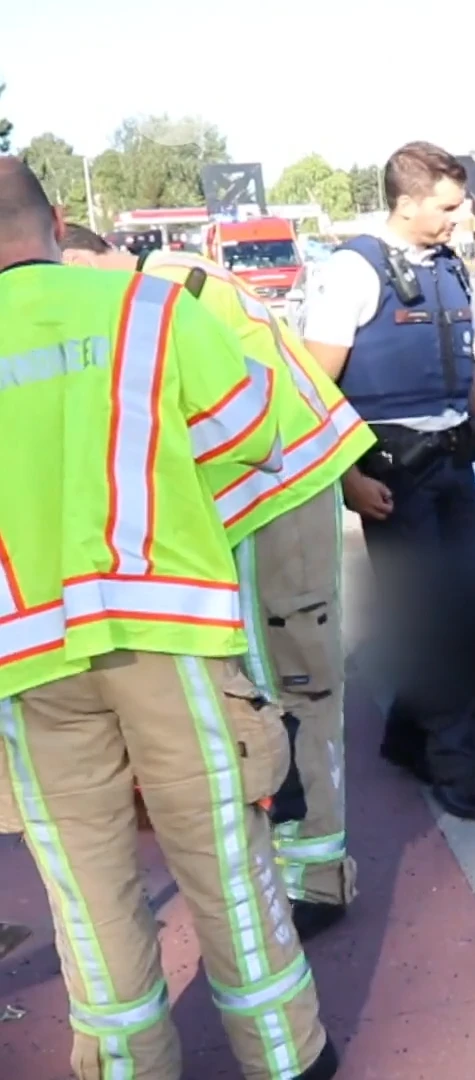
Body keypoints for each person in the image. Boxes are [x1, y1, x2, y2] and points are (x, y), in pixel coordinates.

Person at [0, 158, 337, 1079]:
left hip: (24, 660)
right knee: (224, 855)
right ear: (58, 221)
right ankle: (284, 1056)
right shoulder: (146, 311)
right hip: (169, 633)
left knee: (87, 888)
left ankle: (125, 1066)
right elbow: (250, 435)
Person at [62, 224, 376, 942]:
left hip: (276, 498)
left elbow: (224, 426)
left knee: (299, 688)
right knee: (284, 685)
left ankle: (318, 876)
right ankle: (305, 859)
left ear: (76, 258)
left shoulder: (167, 292)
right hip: (267, 501)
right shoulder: (168, 282)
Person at [295, 141, 475, 822]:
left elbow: (465, 367)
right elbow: (311, 389)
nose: (462, 217)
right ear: (409, 200)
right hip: (393, 478)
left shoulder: (449, 268)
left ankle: (404, 734)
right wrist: (347, 482)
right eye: (450, 206)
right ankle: (456, 773)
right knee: (430, 626)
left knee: (474, 607)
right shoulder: (353, 272)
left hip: (455, 466)